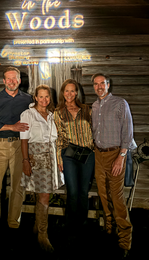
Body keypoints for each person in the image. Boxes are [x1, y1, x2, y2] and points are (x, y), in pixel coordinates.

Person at [91, 73, 136, 258]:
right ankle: (109, 229)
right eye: (96, 84)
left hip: (115, 154)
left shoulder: (120, 103)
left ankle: (125, 240)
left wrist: (121, 156)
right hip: (98, 155)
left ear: (108, 85)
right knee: (103, 193)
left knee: (116, 197)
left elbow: (128, 131)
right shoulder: (94, 106)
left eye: (102, 83)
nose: (99, 86)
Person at [0, 66, 32, 232]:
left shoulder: (28, 100)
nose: (12, 81)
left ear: (19, 80)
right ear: (4, 81)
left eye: (15, 79)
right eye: (9, 79)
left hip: (20, 146)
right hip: (0, 146)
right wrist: (12, 126)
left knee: (18, 186)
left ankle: (13, 222)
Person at [20, 84, 64, 252]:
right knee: (44, 195)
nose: (44, 100)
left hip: (51, 157)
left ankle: (36, 228)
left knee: (43, 194)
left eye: (47, 97)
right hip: (35, 157)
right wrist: (25, 160)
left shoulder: (52, 116)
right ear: (35, 97)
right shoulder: (28, 114)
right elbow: (24, 140)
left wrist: (58, 158)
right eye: (41, 96)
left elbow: (56, 139)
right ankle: (43, 235)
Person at [54, 79, 95, 234]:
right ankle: (70, 225)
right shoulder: (58, 112)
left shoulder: (87, 109)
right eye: (66, 91)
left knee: (84, 190)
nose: (69, 94)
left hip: (87, 154)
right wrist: (59, 158)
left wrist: (93, 147)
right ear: (63, 93)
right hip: (69, 154)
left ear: (77, 92)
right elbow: (58, 137)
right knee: (72, 191)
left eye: (72, 91)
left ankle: (82, 223)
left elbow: (95, 129)